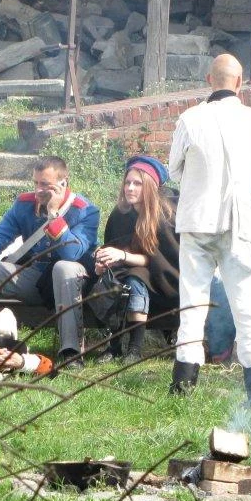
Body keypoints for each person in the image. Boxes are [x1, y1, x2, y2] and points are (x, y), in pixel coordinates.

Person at [168, 53, 251, 410]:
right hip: (239, 222)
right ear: (240, 82)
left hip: (199, 220)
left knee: (192, 304)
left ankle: (184, 382)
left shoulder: (190, 118)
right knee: (246, 308)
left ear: (209, 80)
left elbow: (173, 169)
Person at [0, 155, 99, 369]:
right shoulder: (25, 204)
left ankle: (71, 352)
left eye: (45, 184)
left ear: (63, 183)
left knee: (63, 268)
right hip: (37, 275)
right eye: (35, 183)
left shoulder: (85, 210)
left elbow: (72, 253)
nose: (38, 190)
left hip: (72, 280)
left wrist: (53, 215)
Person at [89, 156, 178, 365]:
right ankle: (114, 346)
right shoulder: (120, 214)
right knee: (119, 279)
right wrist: (104, 262)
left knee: (136, 278)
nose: (130, 188)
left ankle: (134, 349)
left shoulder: (165, 215)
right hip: (128, 271)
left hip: (164, 281)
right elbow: (113, 246)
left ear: (150, 187)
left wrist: (124, 256)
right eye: (127, 182)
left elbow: (164, 261)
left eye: (137, 183)